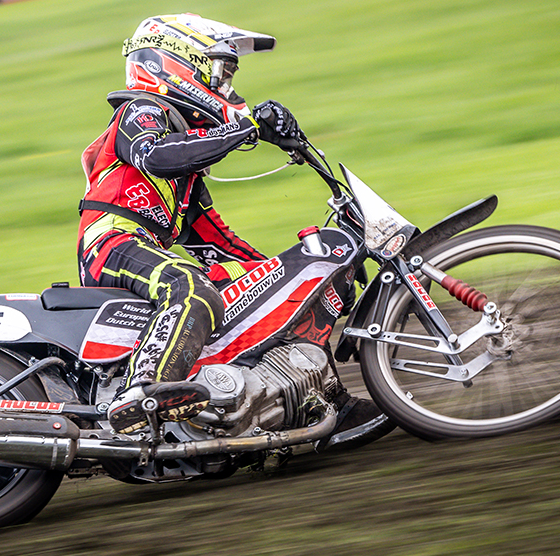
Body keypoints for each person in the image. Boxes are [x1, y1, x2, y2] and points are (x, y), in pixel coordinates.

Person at [78, 13, 389, 446]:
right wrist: (246, 126)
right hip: (111, 243)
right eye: (220, 71)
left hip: (145, 247)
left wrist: (288, 277)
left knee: (277, 297)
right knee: (193, 290)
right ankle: (141, 391)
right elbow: (156, 155)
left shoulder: (187, 177)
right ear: (173, 64)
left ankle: (324, 400)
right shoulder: (141, 111)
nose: (226, 85)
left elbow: (216, 241)